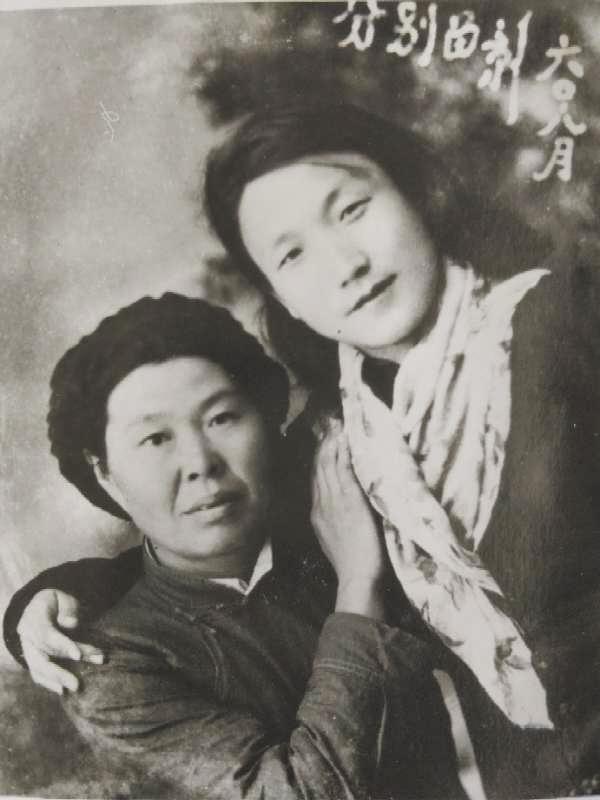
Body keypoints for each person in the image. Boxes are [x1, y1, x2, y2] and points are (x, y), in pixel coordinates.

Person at [5, 103, 600, 796]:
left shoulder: (572, 318)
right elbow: (204, 543)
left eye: (352, 210)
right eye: (291, 254)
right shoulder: (342, 441)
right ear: (279, 296)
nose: (347, 265)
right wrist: (45, 601)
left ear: (420, 193)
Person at [5, 292, 465, 800]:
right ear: (105, 475)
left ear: (266, 419)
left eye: (221, 418)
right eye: (156, 439)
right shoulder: (109, 665)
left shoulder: (350, 498)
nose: (200, 462)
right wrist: (359, 585)